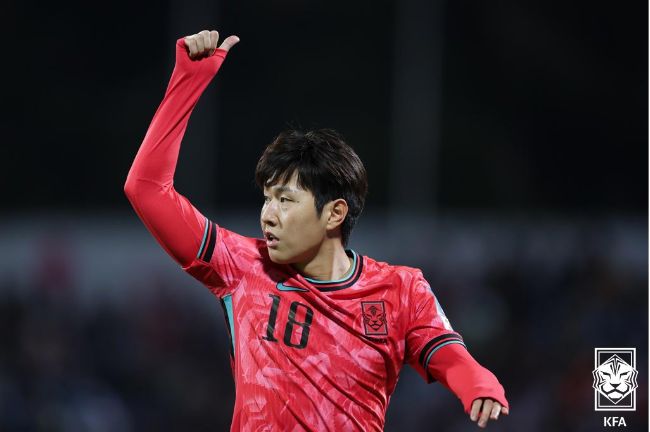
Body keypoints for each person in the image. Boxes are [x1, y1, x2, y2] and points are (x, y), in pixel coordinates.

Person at [124, 29, 509, 431]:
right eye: (267, 199)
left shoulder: (400, 291)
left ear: (334, 213)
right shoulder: (242, 267)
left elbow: (447, 353)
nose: (268, 215)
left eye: (286, 200)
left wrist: (477, 384)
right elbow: (146, 189)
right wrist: (188, 82)